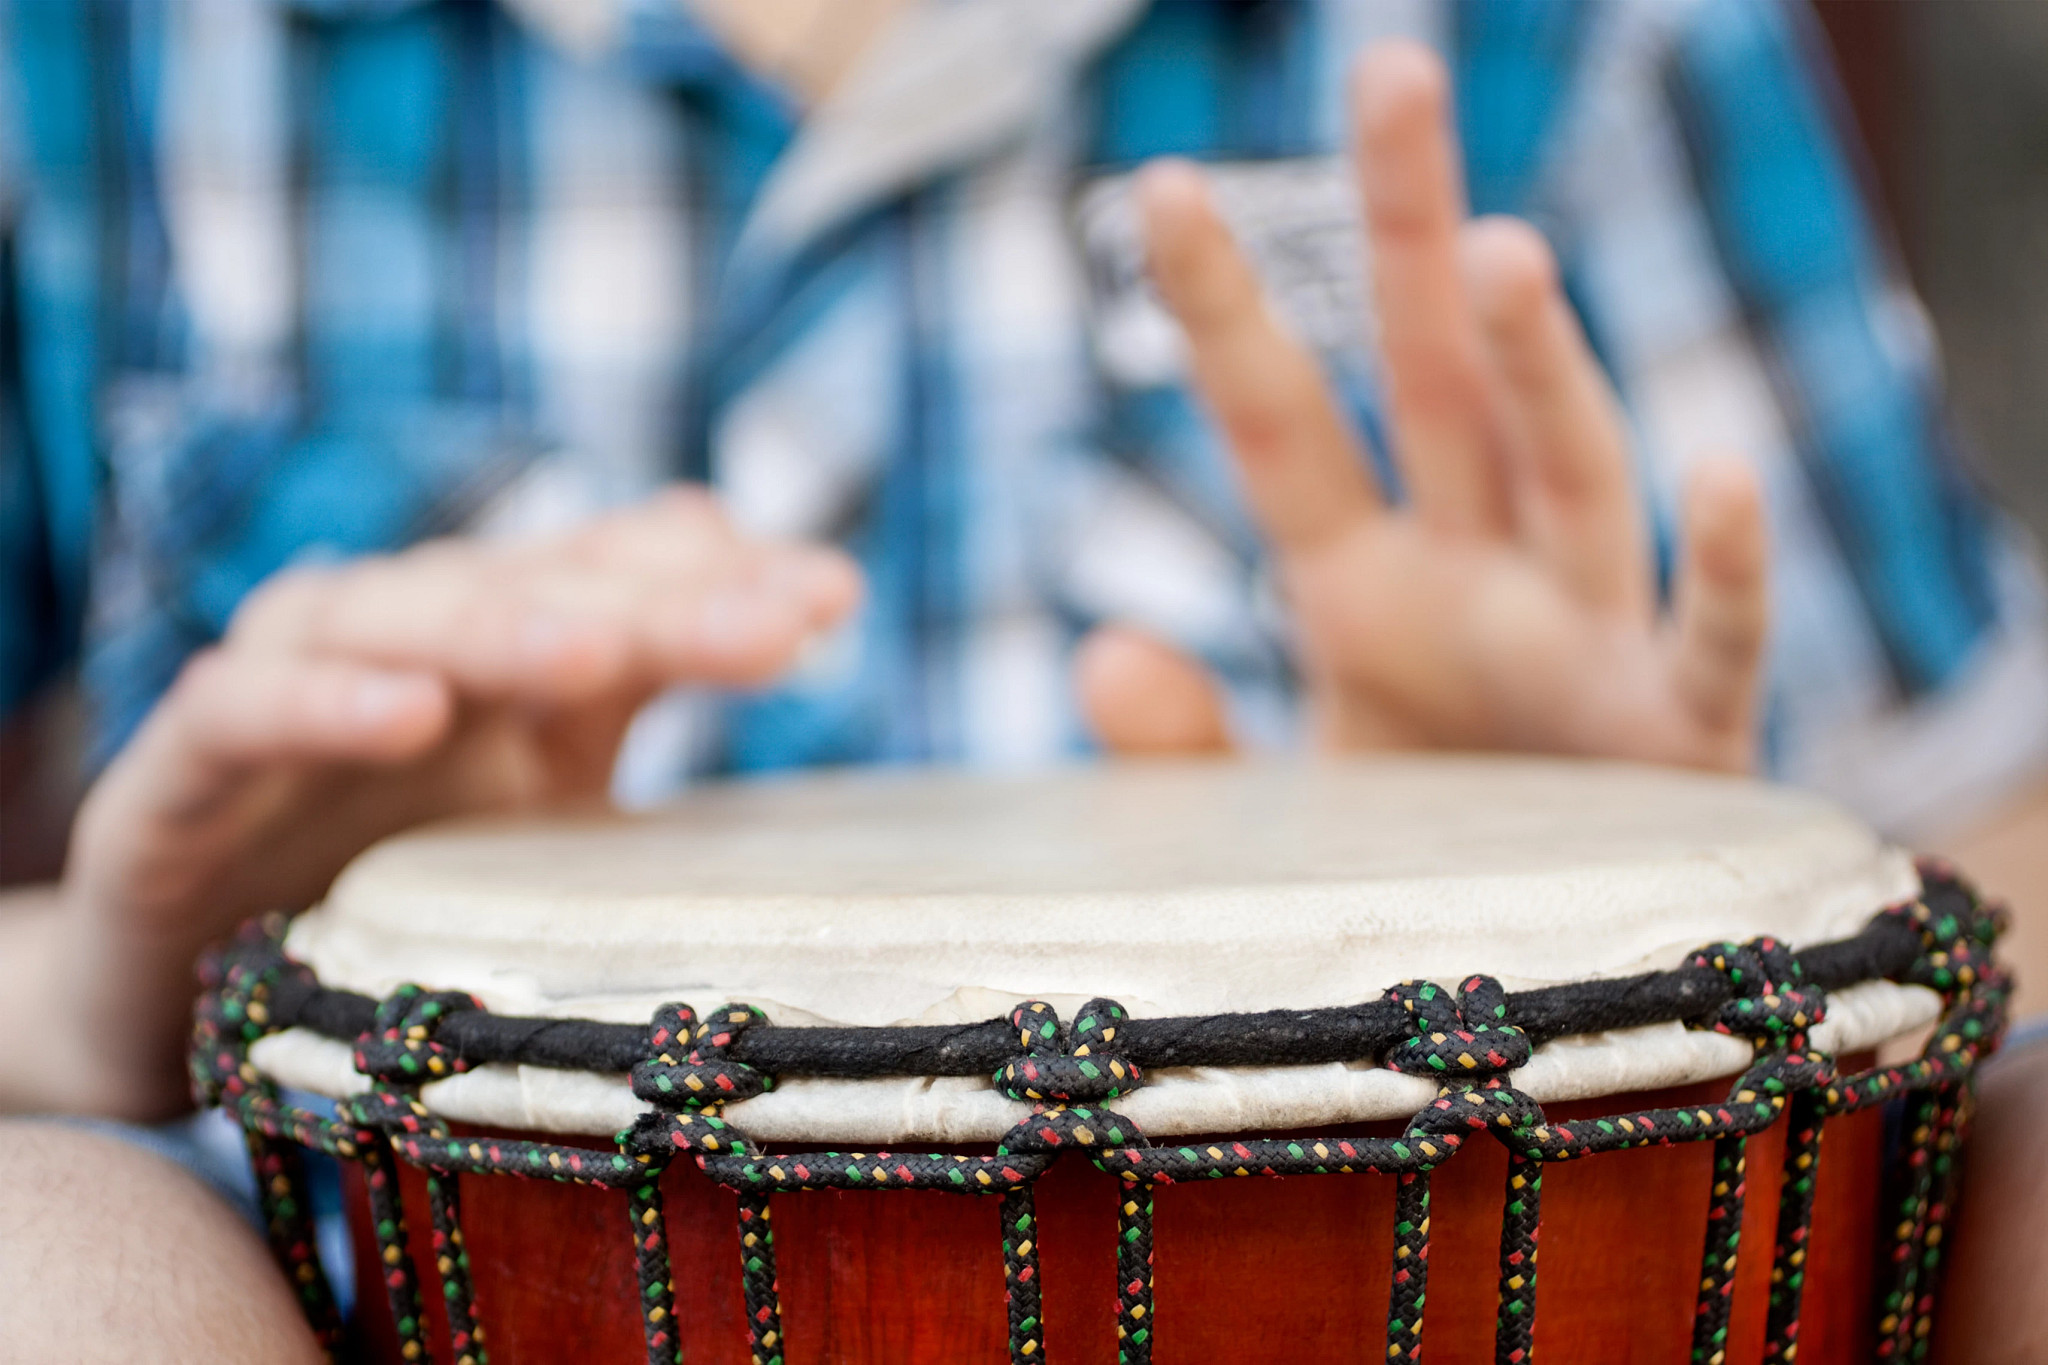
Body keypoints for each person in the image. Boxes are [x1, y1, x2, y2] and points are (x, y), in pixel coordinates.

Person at [0, 2, 2042, 1360]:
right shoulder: (94, 52)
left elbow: (1999, 827)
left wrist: (1672, 879)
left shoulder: (1562, 33)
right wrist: (103, 988)